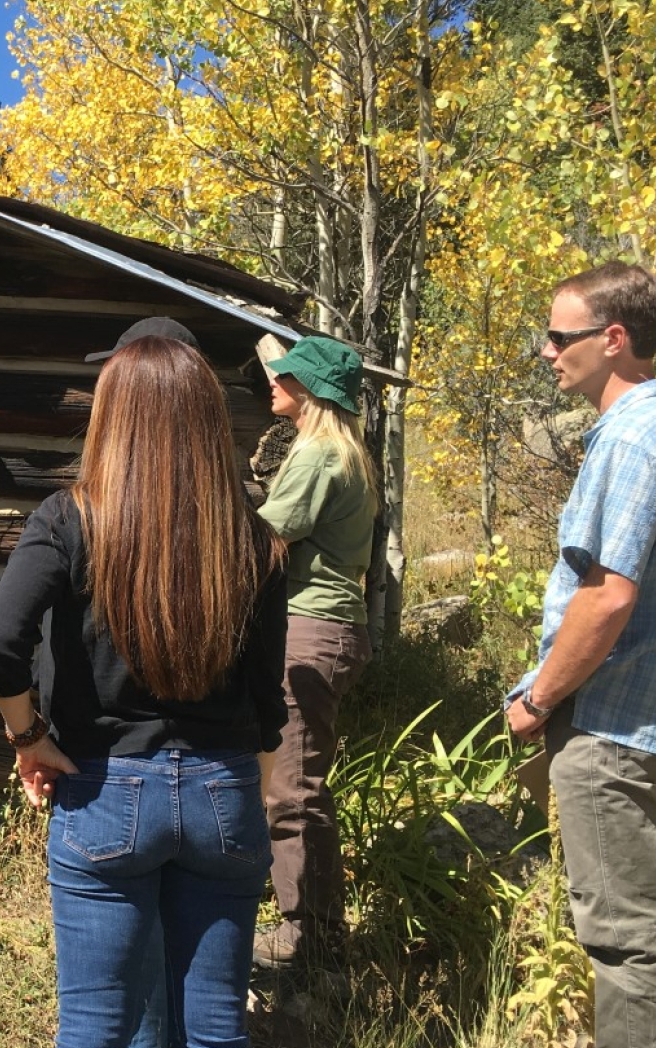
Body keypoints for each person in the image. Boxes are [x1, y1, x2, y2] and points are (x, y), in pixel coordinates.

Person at [0, 335, 287, 1048]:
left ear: (112, 416)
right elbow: (268, 702)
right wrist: (250, 790)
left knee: (96, 1026)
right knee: (214, 1028)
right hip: (224, 793)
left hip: (104, 786)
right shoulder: (252, 535)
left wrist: (29, 738)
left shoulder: (69, 519)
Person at [505, 262, 656, 1048]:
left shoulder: (635, 439)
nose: (546, 351)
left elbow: (606, 596)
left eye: (559, 336)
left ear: (613, 339)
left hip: (609, 725)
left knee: (626, 939)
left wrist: (536, 701)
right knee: (634, 929)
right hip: (647, 719)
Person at [250, 335, 378, 970]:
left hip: (310, 627)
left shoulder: (320, 455)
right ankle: (316, 927)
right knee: (301, 782)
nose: (274, 381)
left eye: (287, 375)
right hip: (332, 627)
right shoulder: (342, 451)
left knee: (292, 787)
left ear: (312, 391)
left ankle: (307, 936)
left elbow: (265, 537)